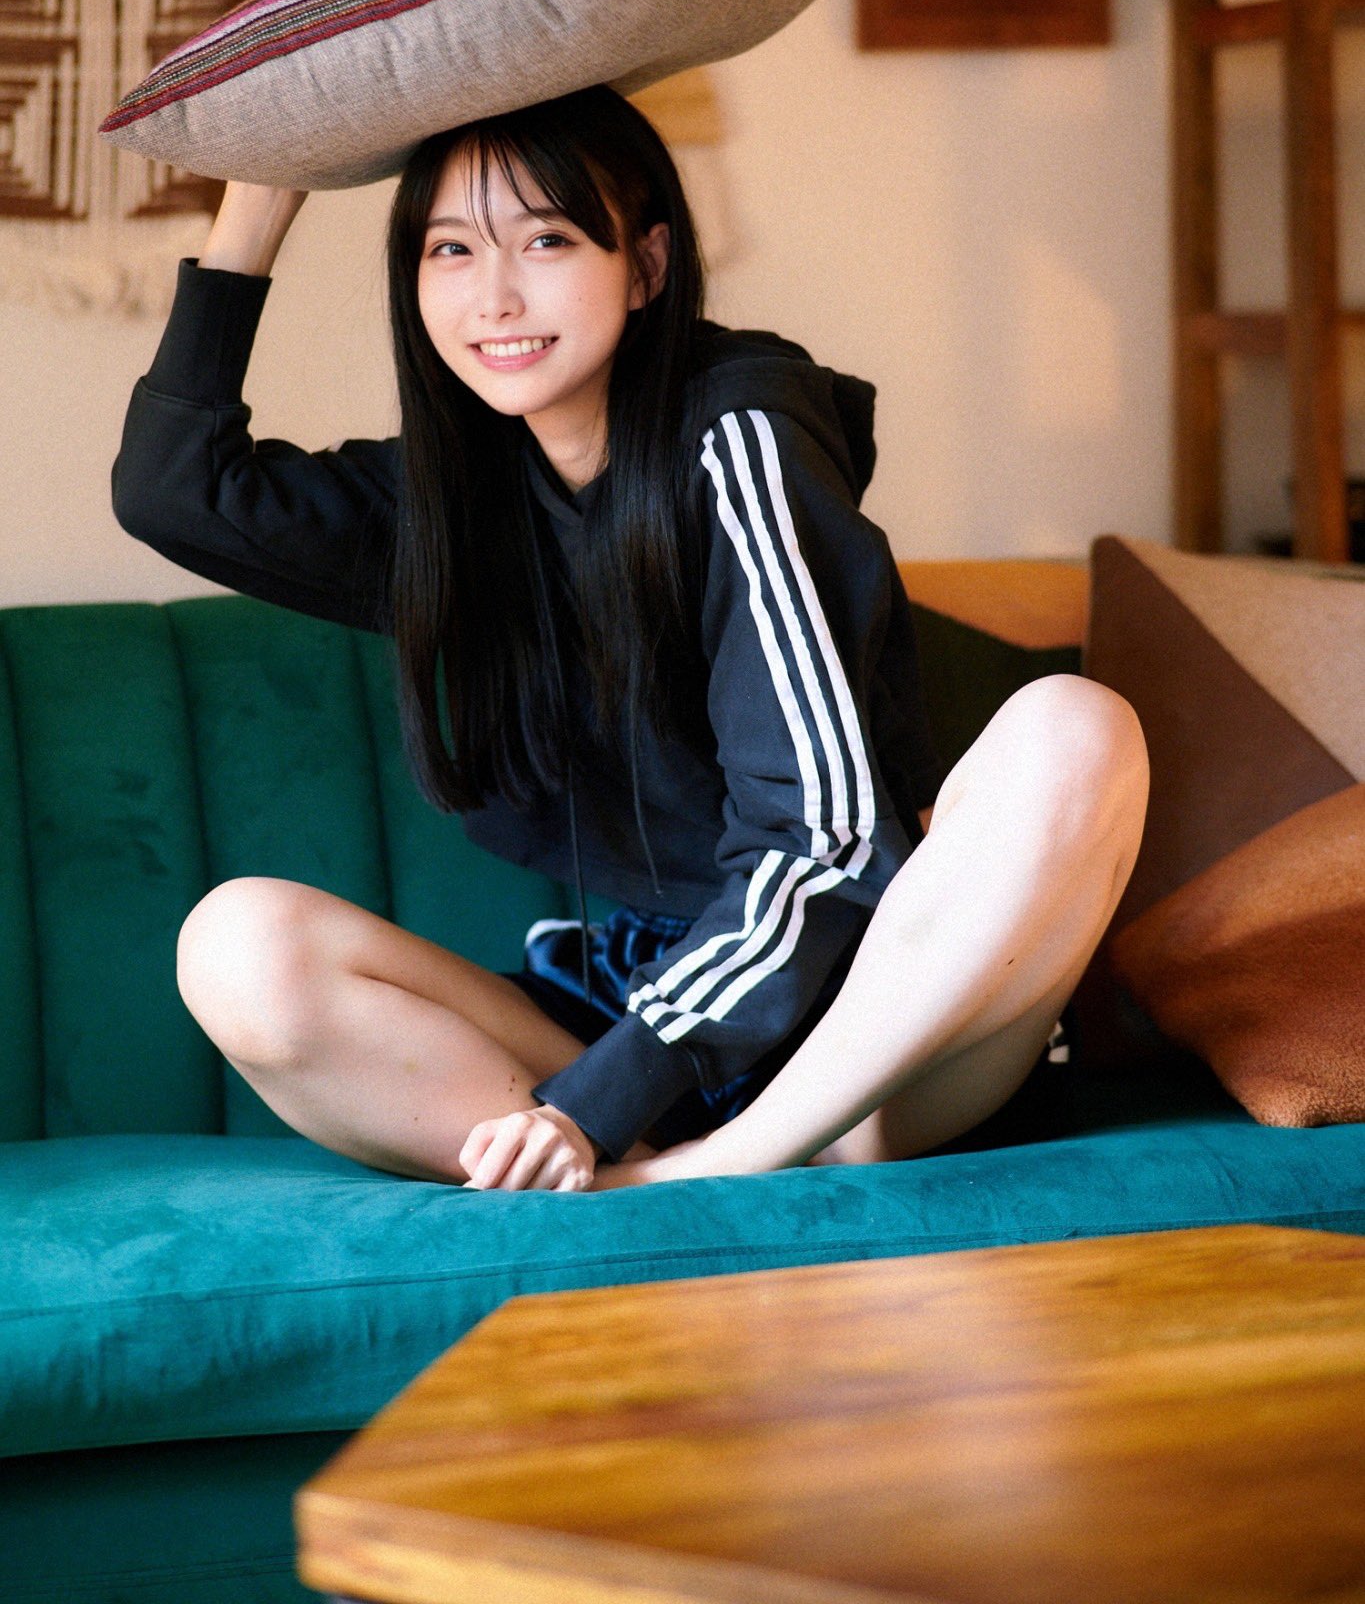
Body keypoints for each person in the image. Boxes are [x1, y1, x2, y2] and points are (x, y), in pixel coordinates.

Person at [111, 83, 1149, 1195]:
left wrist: (592, 1105)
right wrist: (260, 201)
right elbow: (176, 492)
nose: (494, 296)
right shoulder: (458, 495)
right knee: (235, 945)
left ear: (646, 264)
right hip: (635, 1008)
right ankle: (640, 1177)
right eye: (450, 248)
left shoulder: (741, 437)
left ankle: (718, 1168)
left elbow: (826, 844)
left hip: (865, 1027)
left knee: (1077, 728)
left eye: (547, 239)